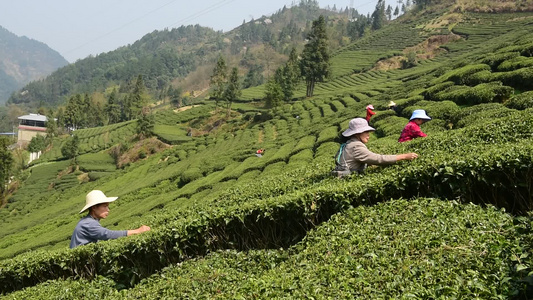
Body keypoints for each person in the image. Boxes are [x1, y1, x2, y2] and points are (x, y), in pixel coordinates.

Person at [332, 118, 418, 178]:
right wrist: (404, 156)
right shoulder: (356, 146)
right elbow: (378, 159)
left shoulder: (350, 143)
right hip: (347, 178)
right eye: (366, 132)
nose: (368, 135)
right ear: (357, 133)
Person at [70, 190, 151, 249]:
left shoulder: (89, 221)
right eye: (105, 206)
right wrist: (137, 231)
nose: (108, 210)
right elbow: (107, 234)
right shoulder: (88, 223)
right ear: (94, 207)